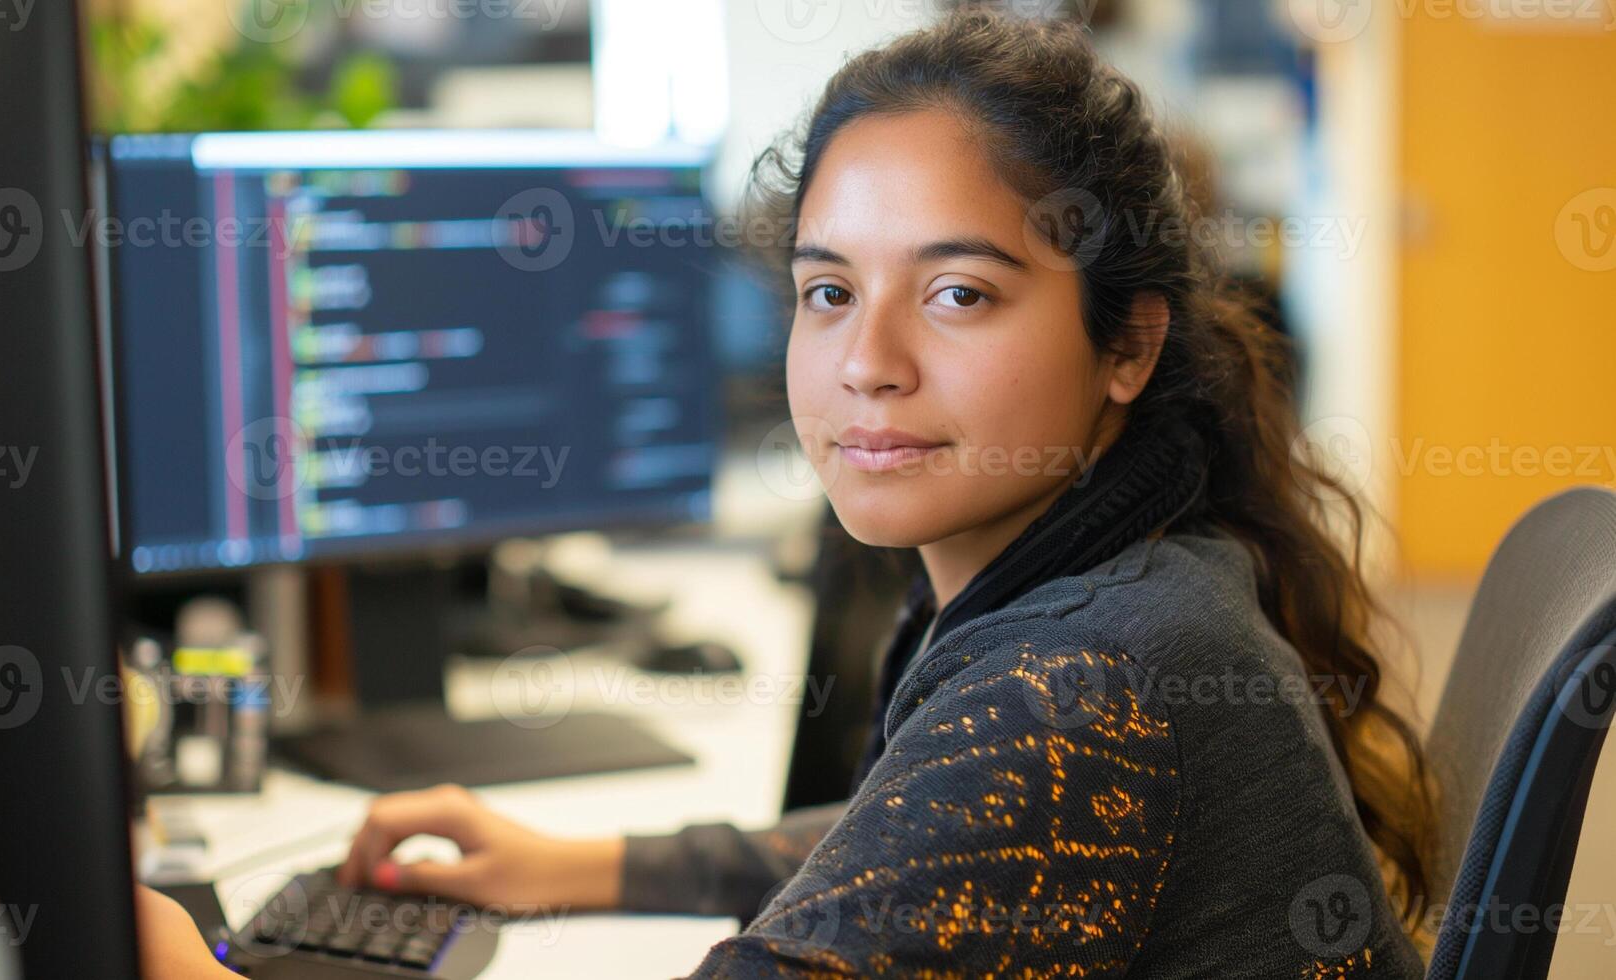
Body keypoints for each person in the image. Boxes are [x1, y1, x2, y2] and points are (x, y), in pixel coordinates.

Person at [139, 11, 1433, 977]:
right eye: (828, 291)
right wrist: (577, 865)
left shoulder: (1085, 685)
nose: (865, 364)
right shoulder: (1137, 571)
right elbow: (909, 826)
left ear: (1126, 347)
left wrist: (185, 968)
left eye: (957, 294)